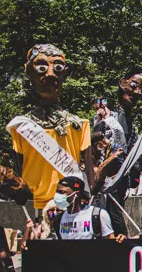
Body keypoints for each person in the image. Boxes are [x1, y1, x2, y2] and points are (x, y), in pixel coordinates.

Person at [7, 44, 94, 213]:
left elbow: (90, 173)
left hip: (69, 206)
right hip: (32, 206)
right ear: (28, 72)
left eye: (58, 67)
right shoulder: (20, 127)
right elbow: (18, 170)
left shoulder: (79, 125)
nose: (50, 74)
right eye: (41, 67)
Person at [93, 66, 142, 154]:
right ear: (123, 83)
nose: (138, 92)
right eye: (134, 85)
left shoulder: (133, 130)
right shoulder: (104, 120)